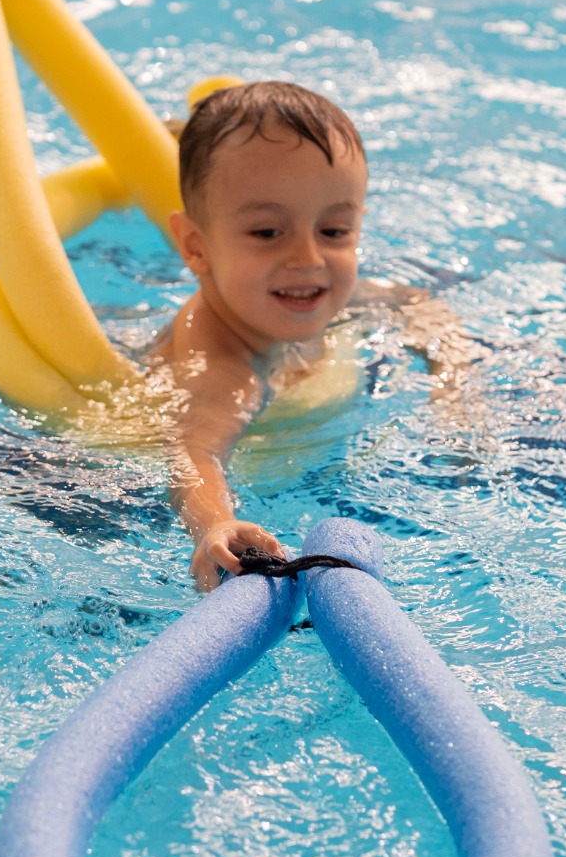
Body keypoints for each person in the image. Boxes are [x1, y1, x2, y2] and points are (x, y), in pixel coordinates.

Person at [145, 80, 466, 590]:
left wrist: (452, 392)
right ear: (195, 246)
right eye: (268, 233)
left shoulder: (319, 288)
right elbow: (194, 452)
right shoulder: (221, 364)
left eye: (334, 232)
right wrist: (215, 524)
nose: (308, 259)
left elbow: (416, 303)